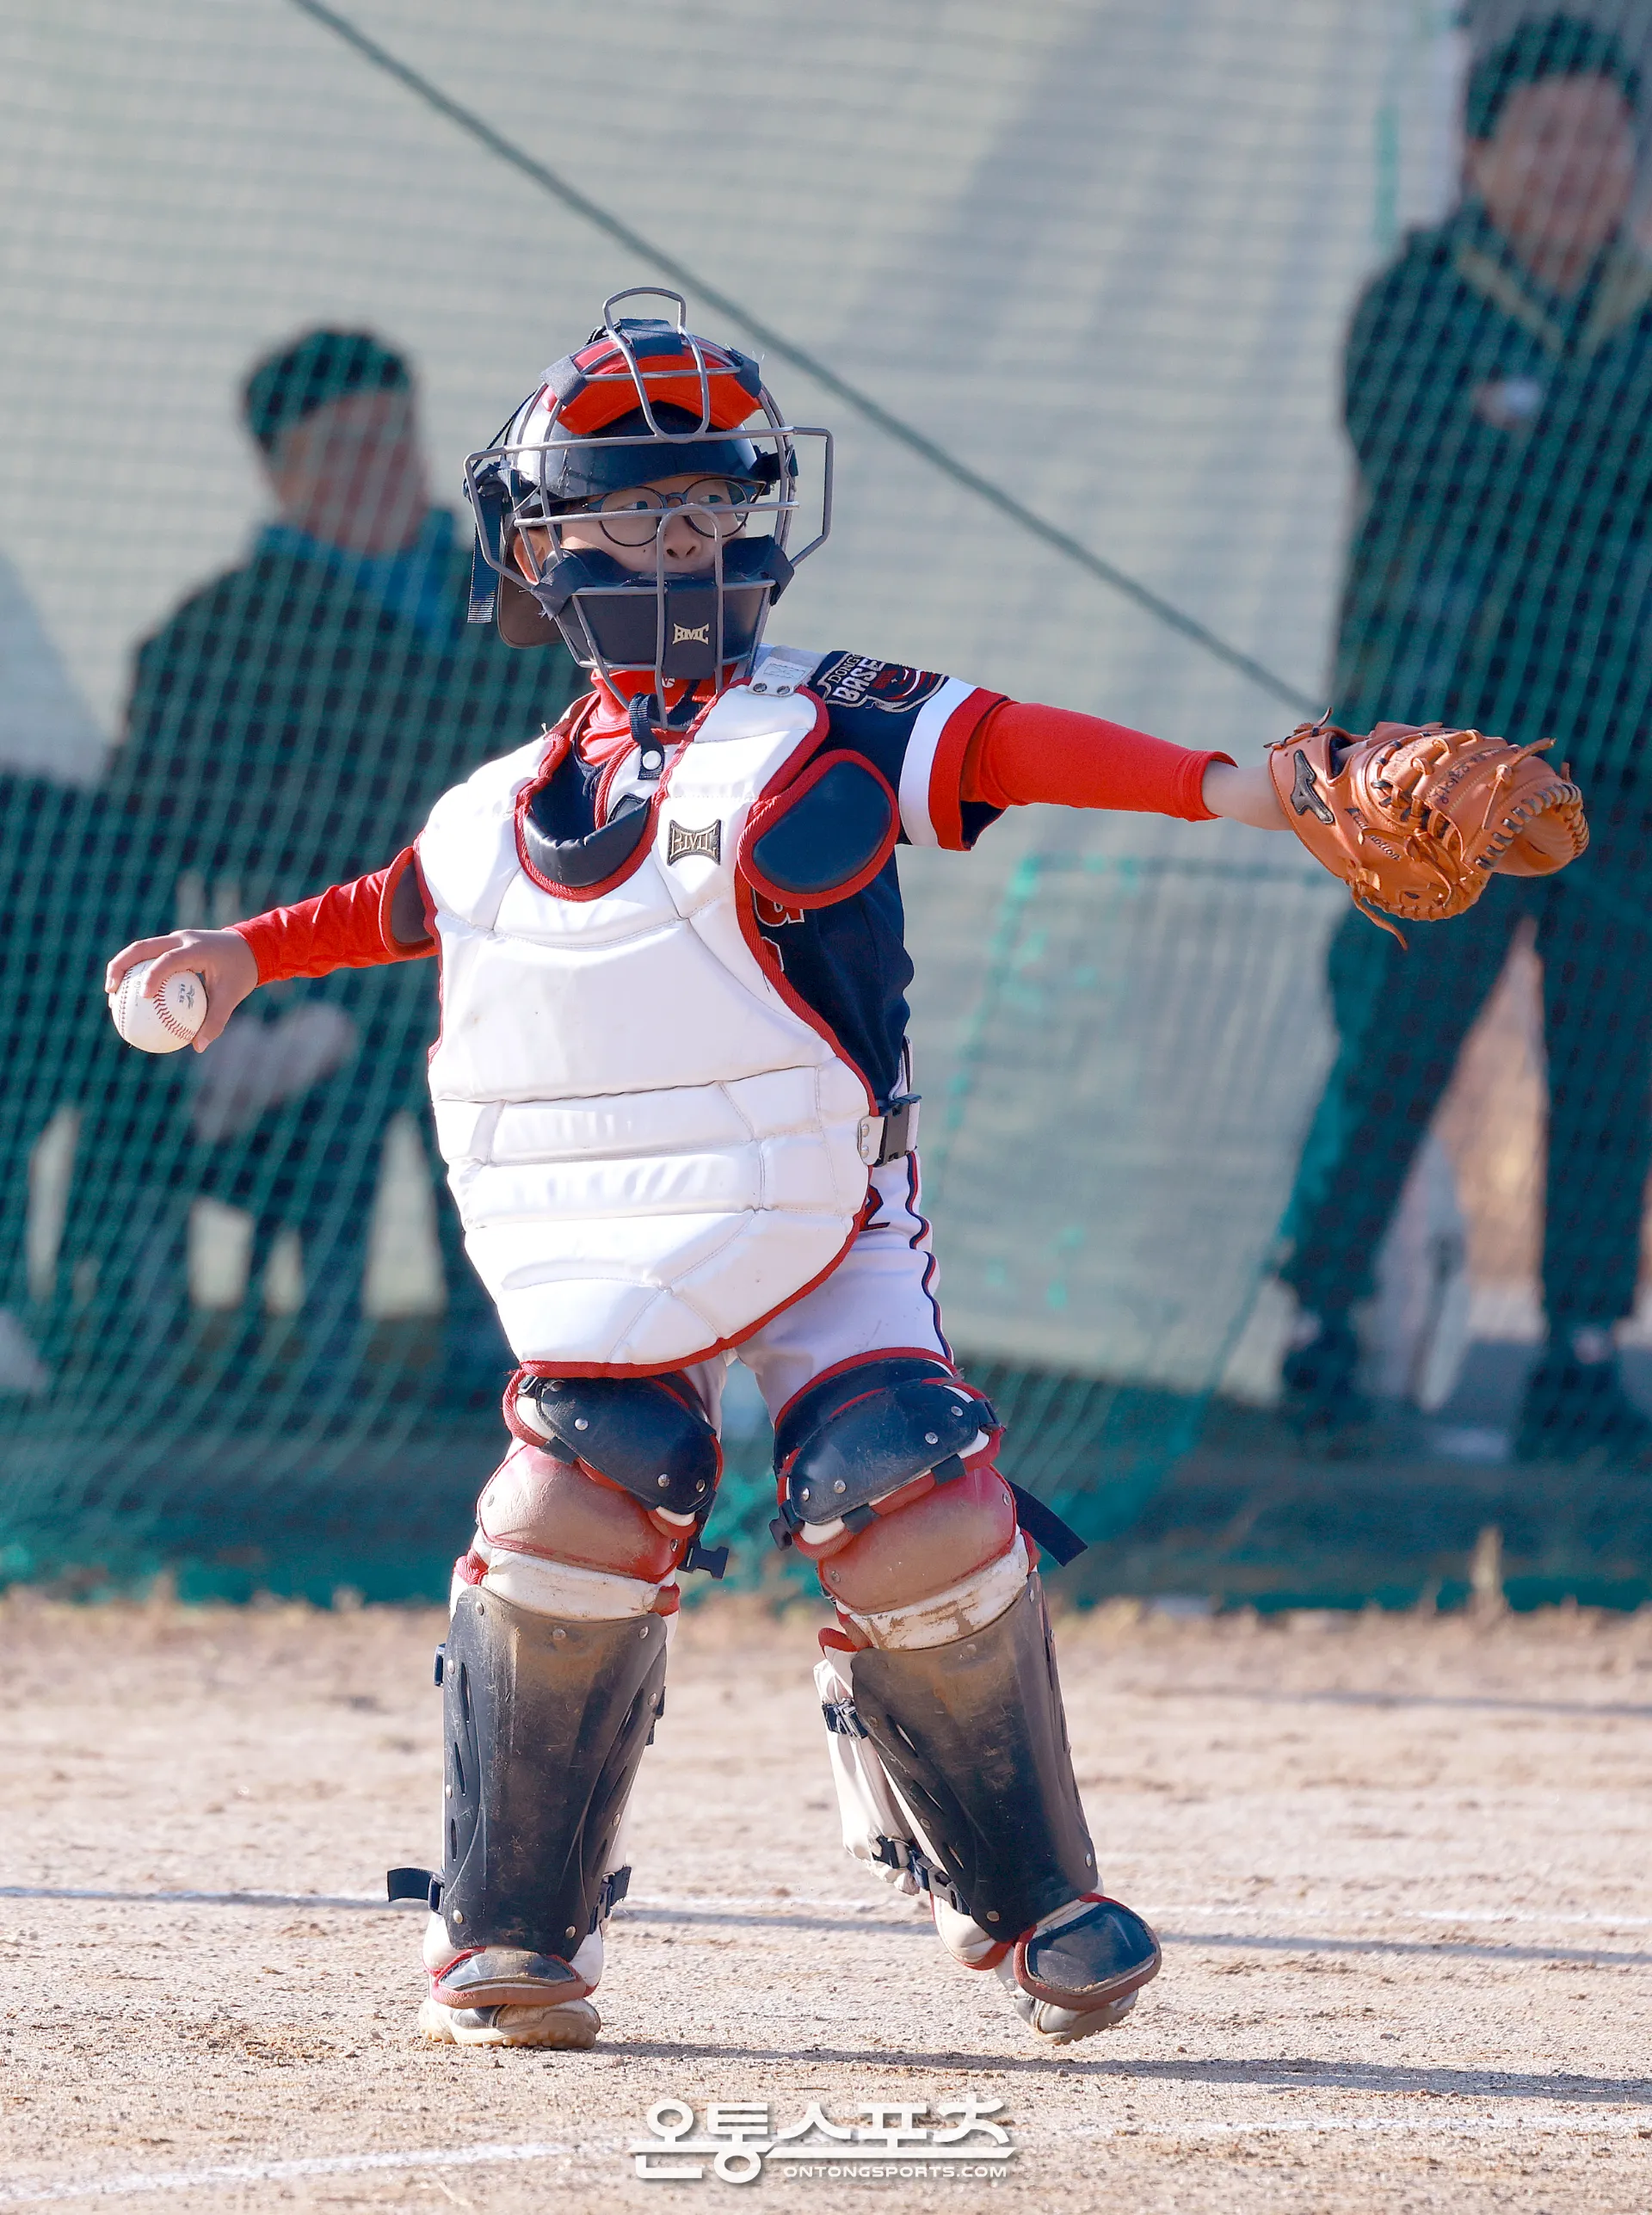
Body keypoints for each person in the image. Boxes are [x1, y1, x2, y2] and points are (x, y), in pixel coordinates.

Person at [103, 293, 1444, 2052]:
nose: (679, 541)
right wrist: (238, 955)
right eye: (631, 510)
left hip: (828, 1204)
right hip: (615, 1217)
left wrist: (1251, 787)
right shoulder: (503, 796)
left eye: (707, 505)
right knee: (580, 1494)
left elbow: (1017, 744)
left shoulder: (826, 714)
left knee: (906, 1484)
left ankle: (1024, 1892)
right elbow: (402, 904)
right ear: (541, 549)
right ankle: (511, 1926)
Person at [36, 330, 579, 1409]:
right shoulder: (216, 634)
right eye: (342, 447)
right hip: (322, 958)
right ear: (278, 473)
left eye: (393, 437)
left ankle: (538, 1349)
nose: (379, 467)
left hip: (522, 942)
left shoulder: (523, 604)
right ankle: (452, 1364)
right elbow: (163, 830)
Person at [1277, 15, 1652, 1459]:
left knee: (1609, 1061)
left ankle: (1582, 1347)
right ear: (1481, 154)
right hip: (1437, 767)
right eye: (1546, 136)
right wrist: (1588, 464)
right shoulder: (1415, 307)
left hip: (1621, 759)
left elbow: (1540, 480)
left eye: (1602, 139)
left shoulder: (1639, 313)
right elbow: (1442, 470)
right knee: (1396, 1041)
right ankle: (1321, 1322)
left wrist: (1537, 437)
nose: (1576, 166)